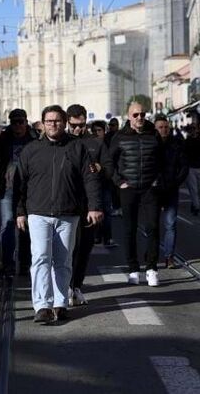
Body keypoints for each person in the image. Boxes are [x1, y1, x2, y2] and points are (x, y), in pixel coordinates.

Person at [16, 106, 103, 324]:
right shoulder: (30, 150)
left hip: (68, 213)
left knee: (63, 261)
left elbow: (90, 179)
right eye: (49, 121)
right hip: (38, 213)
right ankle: (42, 306)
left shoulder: (77, 148)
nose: (53, 124)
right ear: (42, 124)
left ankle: (60, 303)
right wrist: (20, 212)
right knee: (41, 258)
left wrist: (94, 206)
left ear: (64, 123)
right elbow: (20, 184)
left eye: (57, 121)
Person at [110, 102, 164, 287]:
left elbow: (162, 159)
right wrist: (119, 182)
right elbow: (110, 162)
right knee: (129, 229)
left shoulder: (153, 134)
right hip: (129, 188)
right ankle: (133, 268)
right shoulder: (119, 137)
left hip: (150, 188)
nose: (140, 118)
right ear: (129, 116)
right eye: (136, 115)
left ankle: (151, 268)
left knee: (153, 228)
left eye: (142, 114)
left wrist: (158, 178)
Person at [66, 104, 113, 307]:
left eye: (81, 125)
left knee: (85, 247)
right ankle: (65, 286)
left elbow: (110, 169)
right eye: (74, 125)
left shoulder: (95, 143)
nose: (78, 129)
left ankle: (76, 285)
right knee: (67, 248)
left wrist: (100, 167)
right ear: (67, 122)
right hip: (66, 202)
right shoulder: (62, 142)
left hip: (89, 203)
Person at [0, 108, 37, 277]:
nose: (17, 125)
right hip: (7, 188)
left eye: (20, 122)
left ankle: (25, 263)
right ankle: (8, 264)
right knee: (8, 225)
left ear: (26, 122)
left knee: (26, 227)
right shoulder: (3, 140)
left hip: (29, 189)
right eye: (14, 122)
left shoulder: (34, 140)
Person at [156, 116, 188, 269]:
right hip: (154, 190)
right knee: (152, 225)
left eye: (166, 127)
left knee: (170, 224)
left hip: (171, 189)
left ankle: (169, 256)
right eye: (160, 127)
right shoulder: (150, 144)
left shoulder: (176, 144)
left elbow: (184, 166)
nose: (164, 130)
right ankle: (152, 255)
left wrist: (176, 182)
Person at [182, 124, 200, 216]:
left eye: (194, 129)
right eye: (191, 130)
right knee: (193, 190)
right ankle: (196, 207)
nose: (193, 131)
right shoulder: (185, 142)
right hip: (190, 168)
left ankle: (194, 203)